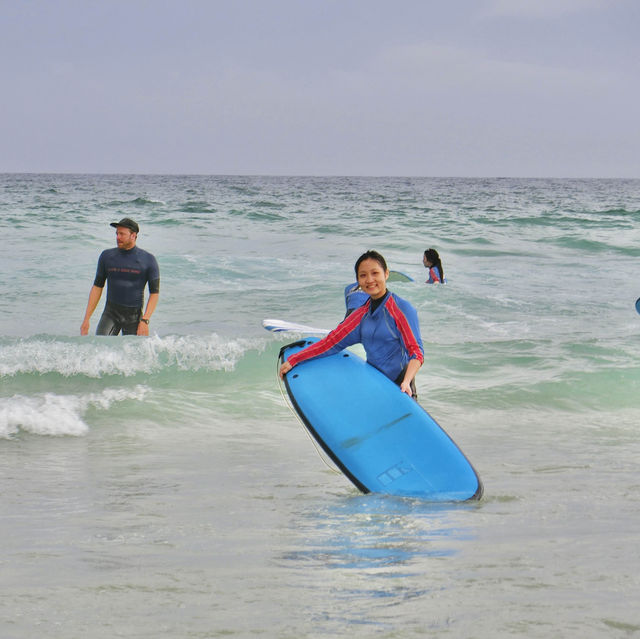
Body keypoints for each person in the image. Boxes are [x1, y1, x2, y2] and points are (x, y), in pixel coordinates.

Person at [280, 250, 424, 398]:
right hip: (375, 382)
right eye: (363, 275)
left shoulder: (401, 309)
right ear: (358, 281)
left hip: (401, 386)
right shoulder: (360, 316)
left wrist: (406, 382)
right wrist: (295, 359)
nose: (369, 280)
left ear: (386, 274)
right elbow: (331, 343)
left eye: (375, 273)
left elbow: (417, 353)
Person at [81, 217, 160, 336]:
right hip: (110, 313)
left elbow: (154, 293)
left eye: (122, 234)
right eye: (117, 233)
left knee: (133, 353)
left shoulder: (148, 260)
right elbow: (97, 287)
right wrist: (86, 318)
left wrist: (145, 320)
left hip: (134, 316)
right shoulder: (106, 256)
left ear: (133, 235)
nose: (118, 237)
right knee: (101, 346)